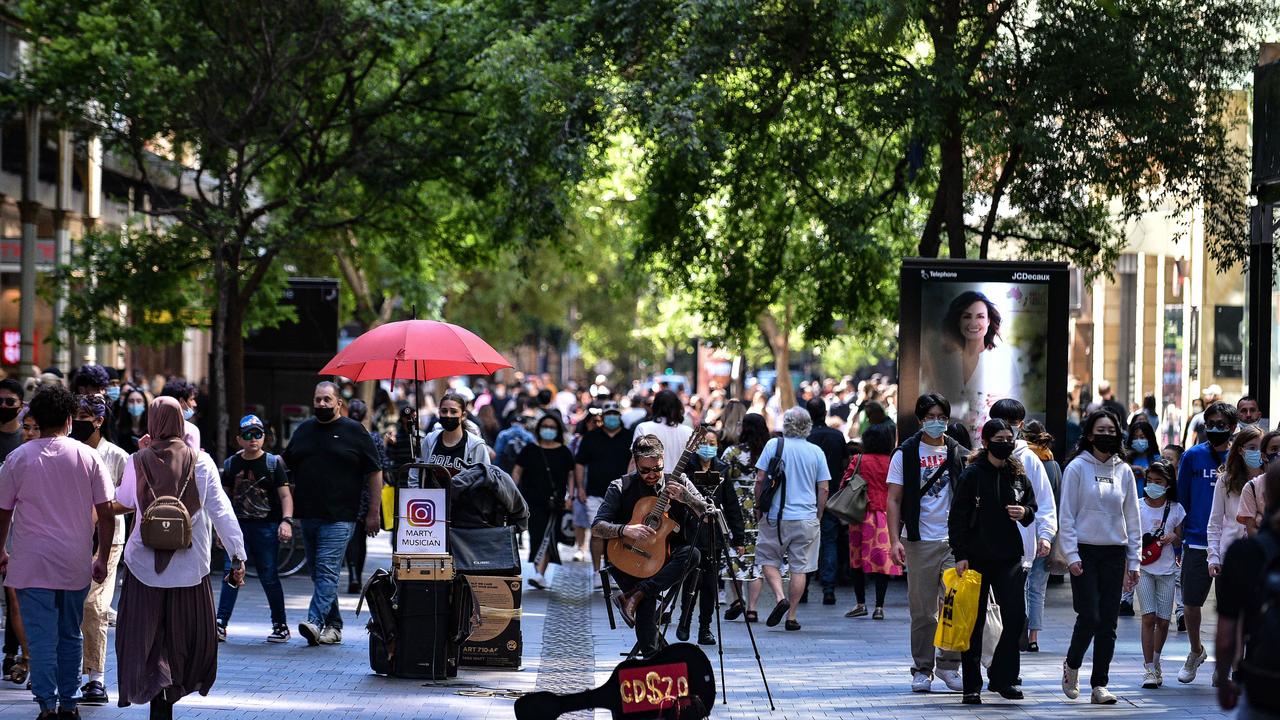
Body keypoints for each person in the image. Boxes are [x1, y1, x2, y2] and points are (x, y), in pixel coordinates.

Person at [113, 396, 245, 719]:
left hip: (143, 569)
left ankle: (158, 693)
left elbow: (124, 499)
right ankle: (169, 694)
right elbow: (222, 512)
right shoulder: (202, 462)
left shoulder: (138, 460)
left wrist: (143, 456)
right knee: (182, 639)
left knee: (148, 638)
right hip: (190, 569)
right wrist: (237, 556)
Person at [0, 385, 115, 720]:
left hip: (30, 561)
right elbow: (106, 513)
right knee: (69, 632)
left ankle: (46, 705)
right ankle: (69, 702)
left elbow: (3, 511)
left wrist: (1, 551)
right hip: (73, 561)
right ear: (68, 419)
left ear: (36, 418)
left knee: (40, 636)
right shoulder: (88, 456)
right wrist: (102, 558)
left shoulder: (17, 459)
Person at [283, 381, 382, 647]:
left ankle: (314, 621)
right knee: (319, 574)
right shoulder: (303, 430)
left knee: (326, 572)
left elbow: (374, 472)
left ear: (339, 403)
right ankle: (335, 625)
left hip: (341, 517)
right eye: (318, 400)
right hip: (309, 515)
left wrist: (374, 512)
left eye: (327, 400)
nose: (322, 405)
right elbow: (285, 464)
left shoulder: (355, 432)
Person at [592, 434, 707, 657]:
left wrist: (688, 499)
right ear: (635, 463)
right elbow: (597, 527)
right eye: (645, 471)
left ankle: (634, 596)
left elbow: (708, 514)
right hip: (626, 558)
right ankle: (654, 659)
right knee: (647, 603)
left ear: (663, 459)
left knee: (692, 554)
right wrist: (625, 529)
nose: (652, 475)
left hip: (665, 560)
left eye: (657, 468)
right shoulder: (620, 486)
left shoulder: (680, 481)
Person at [949, 419, 1037, 704]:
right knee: (972, 623)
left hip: (1009, 557)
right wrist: (960, 554)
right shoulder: (972, 474)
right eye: (998, 438)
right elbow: (957, 518)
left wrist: (1023, 511)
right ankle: (971, 685)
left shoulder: (1017, 473)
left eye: (1009, 437)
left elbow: (1033, 507)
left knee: (1014, 618)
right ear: (986, 442)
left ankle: (1003, 677)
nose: (1005, 442)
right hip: (975, 557)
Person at [1058, 410, 1142, 705]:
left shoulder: (1124, 471)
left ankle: (1099, 685)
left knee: (1109, 622)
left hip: (1114, 552)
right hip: (1084, 550)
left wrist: (1135, 560)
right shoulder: (1077, 468)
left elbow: (1133, 518)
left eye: (1112, 430)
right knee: (1090, 615)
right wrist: (1070, 554)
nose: (1107, 435)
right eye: (1101, 430)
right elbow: (1066, 514)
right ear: (1090, 435)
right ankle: (1072, 665)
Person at [887, 394, 966, 693]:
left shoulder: (958, 452)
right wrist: (894, 540)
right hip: (918, 541)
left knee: (954, 604)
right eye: (930, 416)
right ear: (920, 419)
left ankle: (949, 665)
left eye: (941, 416)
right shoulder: (905, 454)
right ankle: (922, 668)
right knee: (922, 611)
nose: (936, 422)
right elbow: (893, 500)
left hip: (953, 542)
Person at [69, 393, 129, 706]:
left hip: (107, 540)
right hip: (67, 538)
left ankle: (95, 678)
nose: (78, 421)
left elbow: (132, 500)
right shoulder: (66, 452)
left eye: (83, 415)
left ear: (99, 420)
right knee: (68, 606)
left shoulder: (118, 457)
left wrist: (101, 510)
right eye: (74, 414)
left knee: (95, 605)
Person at [215, 415, 293, 644]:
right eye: (248, 435)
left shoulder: (272, 463)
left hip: (266, 528)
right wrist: (220, 530)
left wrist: (286, 521)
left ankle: (280, 624)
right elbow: (223, 499)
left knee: (269, 576)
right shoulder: (231, 464)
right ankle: (220, 623)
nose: (253, 440)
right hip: (237, 528)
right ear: (239, 439)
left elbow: (285, 495)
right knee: (231, 572)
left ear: (264, 438)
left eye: (258, 434)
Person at [751, 407, 830, 631]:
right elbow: (823, 488)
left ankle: (779, 597)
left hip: (776, 516)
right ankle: (792, 616)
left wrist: (759, 506)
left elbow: (759, 479)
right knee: (800, 568)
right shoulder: (816, 452)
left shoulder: (774, 445)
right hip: (806, 518)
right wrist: (819, 513)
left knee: (767, 559)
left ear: (786, 424)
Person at [1177, 400, 1237, 684]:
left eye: (1221, 425)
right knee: (1190, 604)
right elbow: (1182, 500)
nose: (1215, 429)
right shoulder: (1192, 457)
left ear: (1233, 428)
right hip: (1197, 540)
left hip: (1231, 544)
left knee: (1229, 608)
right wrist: (1180, 539)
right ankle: (1195, 650)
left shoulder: (1239, 458)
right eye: (1210, 424)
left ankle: (1224, 663)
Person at [1215, 464, 1280, 719]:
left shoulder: (1245, 554)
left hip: (1264, 683)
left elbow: (1226, 637)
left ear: (1266, 497)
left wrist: (1223, 681)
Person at [675, 427, 744, 645]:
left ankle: (705, 627)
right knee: (691, 581)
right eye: (706, 442)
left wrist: (738, 537)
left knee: (709, 585)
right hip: (691, 534)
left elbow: (732, 505)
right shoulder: (687, 468)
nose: (709, 447)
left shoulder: (722, 470)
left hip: (713, 536)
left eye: (714, 443)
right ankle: (684, 621)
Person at [928, 291, 1020, 445]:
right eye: (967, 316)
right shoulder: (945, 361)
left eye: (980, 316)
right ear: (958, 321)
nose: (973, 323)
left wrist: (1006, 402)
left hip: (987, 447)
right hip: (946, 446)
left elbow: (1018, 406)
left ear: (989, 321)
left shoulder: (1001, 359)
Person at [1134, 460, 1185, 689]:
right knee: (1148, 618)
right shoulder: (1136, 506)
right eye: (1150, 481)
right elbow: (1130, 537)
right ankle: (1149, 669)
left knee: (1164, 622)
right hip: (1143, 568)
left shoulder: (1176, 509)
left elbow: (1181, 536)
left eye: (1159, 482)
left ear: (1168, 484)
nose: (1153, 485)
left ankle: (1156, 661)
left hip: (1166, 570)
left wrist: (1174, 537)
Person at [842, 422, 901, 620]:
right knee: (883, 561)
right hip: (885, 516)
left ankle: (860, 604)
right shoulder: (893, 462)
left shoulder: (859, 460)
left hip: (859, 516)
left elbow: (845, 483)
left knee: (856, 561)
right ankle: (879, 607)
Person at [513, 412, 574, 589]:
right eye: (545, 426)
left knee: (551, 536)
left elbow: (571, 475)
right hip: (533, 502)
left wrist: (571, 496)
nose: (549, 430)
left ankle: (540, 573)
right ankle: (539, 572)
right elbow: (517, 471)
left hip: (556, 503)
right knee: (537, 536)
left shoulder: (564, 451)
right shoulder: (530, 449)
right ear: (539, 429)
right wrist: (513, 491)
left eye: (552, 427)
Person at [574, 401, 634, 580]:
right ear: (603, 416)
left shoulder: (629, 437)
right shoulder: (591, 437)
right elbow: (579, 464)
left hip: (622, 494)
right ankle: (596, 571)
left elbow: (634, 461)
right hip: (594, 493)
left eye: (615, 414)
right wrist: (580, 488)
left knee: (619, 534)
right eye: (609, 414)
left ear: (619, 416)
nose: (612, 418)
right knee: (597, 532)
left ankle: (616, 571)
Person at [723, 413, 769, 623]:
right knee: (756, 561)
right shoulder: (768, 453)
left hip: (737, 507)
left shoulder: (732, 452)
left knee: (736, 556)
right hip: (762, 509)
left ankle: (737, 600)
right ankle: (752, 609)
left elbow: (723, 477)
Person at [1207, 426, 1263, 592]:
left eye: (1261, 448)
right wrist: (1214, 558)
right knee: (1229, 615)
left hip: (1260, 557)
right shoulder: (1225, 481)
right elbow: (1214, 523)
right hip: (1229, 558)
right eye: (1252, 448)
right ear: (1240, 450)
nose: (1257, 452)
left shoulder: (1269, 480)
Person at [1021, 420, 1060, 652]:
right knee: (1037, 588)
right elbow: (1058, 501)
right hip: (1046, 531)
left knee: (1019, 585)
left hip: (1023, 528)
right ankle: (1033, 637)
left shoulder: (1023, 460)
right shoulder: (1053, 464)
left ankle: (1018, 632)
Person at [343, 399, 390, 593]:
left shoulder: (342, 436)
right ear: (365, 416)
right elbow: (382, 466)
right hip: (366, 492)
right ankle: (357, 575)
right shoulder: (374, 438)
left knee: (349, 536)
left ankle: (352, 572)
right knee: (361, 537)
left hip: (345, 490)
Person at [807, 398, 850, 606]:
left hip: (806, 496)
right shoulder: (837, 436)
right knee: (829, 540)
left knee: (804, 543)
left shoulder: (806, 438)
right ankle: (828, 588)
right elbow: (845, 464)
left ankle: (803, 587)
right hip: (832, 495)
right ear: (825, 412)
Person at [417, 391, 490, 479]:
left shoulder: (476, 445)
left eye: (453, 412)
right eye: (444, 411)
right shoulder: (429, 440)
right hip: (430, 493)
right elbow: (416, 472)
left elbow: (485, 478)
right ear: (439, 413)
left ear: (463, 416)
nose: (448, 415)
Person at [633, 390, 693, 474]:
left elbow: (635, 460)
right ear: (678, 407)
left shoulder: (643, 428)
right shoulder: (689, 431)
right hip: (680, 483)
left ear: (654, 406)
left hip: (649, 481)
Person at [1239, 430, 1280, 536]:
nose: (1279, 453)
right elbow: (1251, 529)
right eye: (1274, 449)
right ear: (1264, 456)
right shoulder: (1251, 487)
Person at [114, 389, 149, 455]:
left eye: (139, 401)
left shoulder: (152, 430)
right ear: (126, 405)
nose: (135, 404)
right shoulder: (118, 430)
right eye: (131, 401)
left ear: (144, 404)